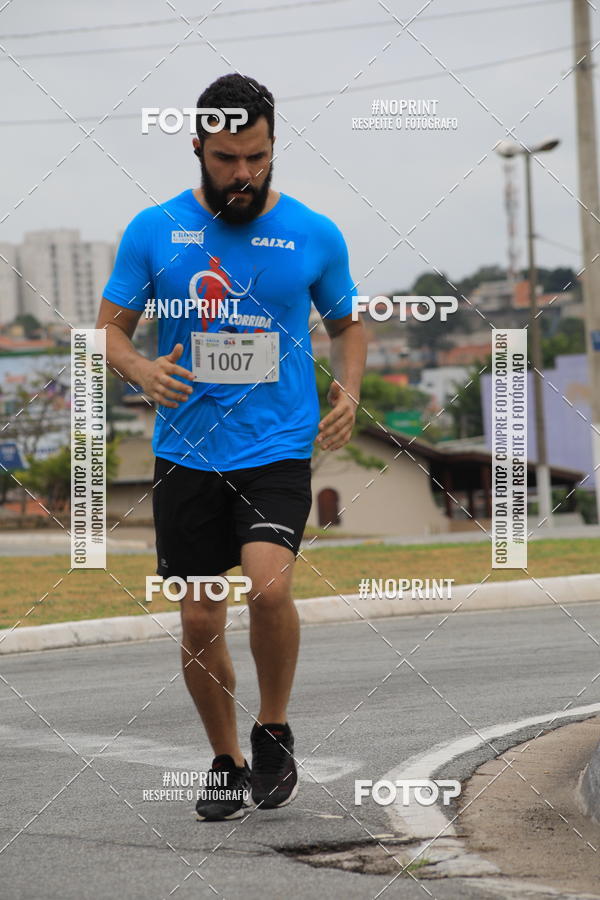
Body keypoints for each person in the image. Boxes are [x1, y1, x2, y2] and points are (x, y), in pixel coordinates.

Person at [96, 73, 366, 821]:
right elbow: (109, 329)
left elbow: (348, 324)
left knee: (270, 586)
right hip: (187, 450)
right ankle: (226, 759)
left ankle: (272, 727)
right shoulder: (155, 230)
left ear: (275, 147)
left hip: (276, 445)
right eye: (225, 159)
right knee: (198, 621)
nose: (242, 173)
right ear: (197, 150)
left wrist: (349, 390)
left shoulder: (314, 232)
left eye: (256, 156)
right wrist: (143, 368)